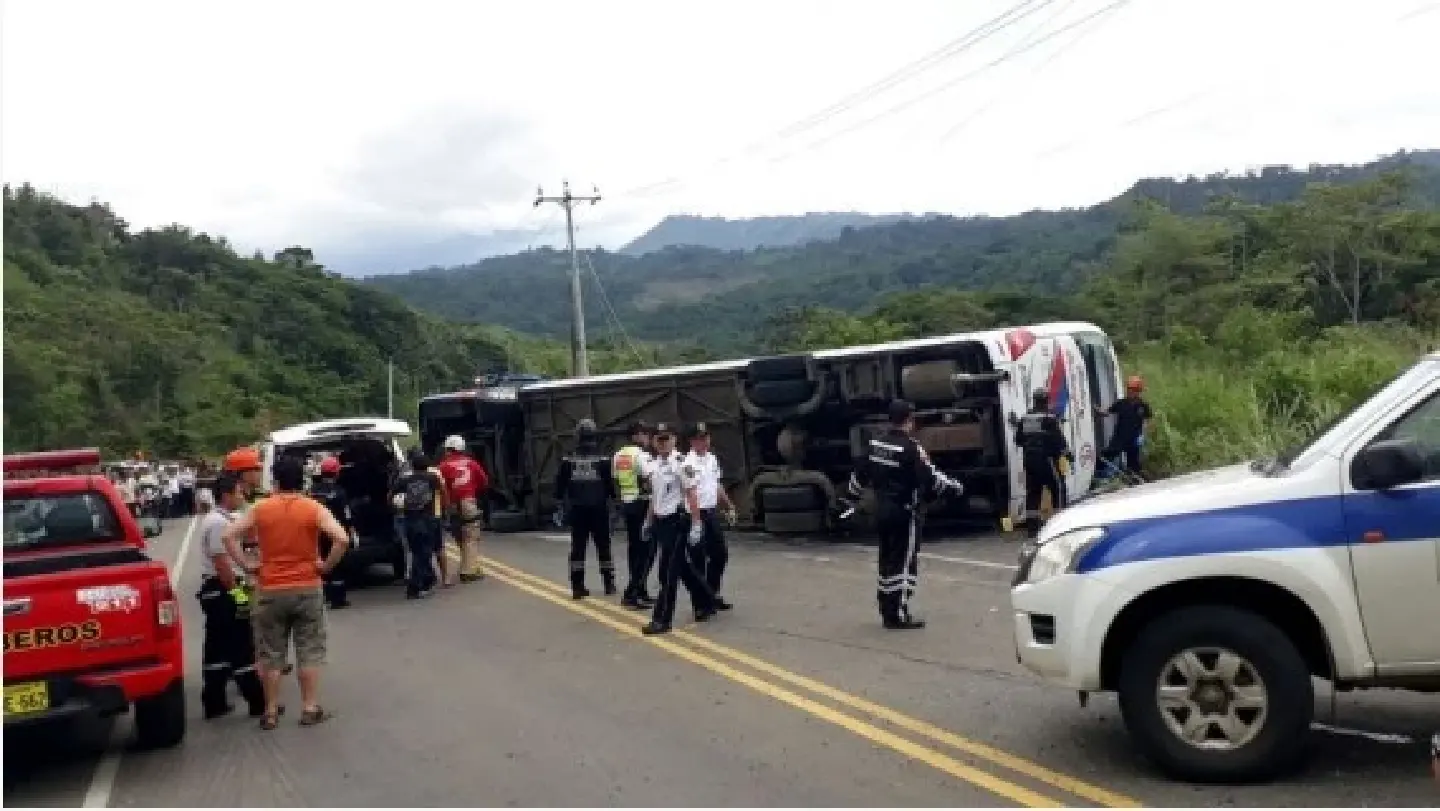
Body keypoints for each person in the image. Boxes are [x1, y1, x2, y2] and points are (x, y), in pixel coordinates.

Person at [220, 455, 349, 730]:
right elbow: (342, 539)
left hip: (270, 589)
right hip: (307, 587)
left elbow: (228, 535)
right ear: (301, 480)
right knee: (309, 650)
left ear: (275, 481)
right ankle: (309, 707)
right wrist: (325, 566)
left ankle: (269, 711)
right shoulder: (313, 507)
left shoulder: (261, 508)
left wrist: (247, 565)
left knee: (270, 653)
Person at [843, 399, 963, 630]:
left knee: (887, 561)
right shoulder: (911, 448)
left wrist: (851, 498)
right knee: (904, 564)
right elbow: (931, 479)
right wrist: (955, 488)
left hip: (881, 511)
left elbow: (859, 476)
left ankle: (887, 609)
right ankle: (897, 614)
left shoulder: (875, 444)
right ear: (909, 420)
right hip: (904, 513)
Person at [196, 473, 266, 719]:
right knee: (241, 645)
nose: (242, 495)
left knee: (216, 650)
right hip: (223, 588)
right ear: (226, 495)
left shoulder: (223, 519)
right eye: (238, 492)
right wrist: (241, 597)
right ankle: (259, 701)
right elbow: (223, 566)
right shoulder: (217, 523)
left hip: (218, 590)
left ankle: (213, 701)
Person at [641, 423, 717, 636]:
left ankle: (661, 619)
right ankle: (707, 600)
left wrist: (696, 525)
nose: (663, 443)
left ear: (674, 440)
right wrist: (648, 521)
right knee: (683, 568)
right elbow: (654, 497)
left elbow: (692, 494)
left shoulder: (681, 464)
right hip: (660, 522)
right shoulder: (653, 466)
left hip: (677, 522)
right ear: (654, 442)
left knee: (668, 573)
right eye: (659, 439)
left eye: (667, 438)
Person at [554, 418, 617, 600]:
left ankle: (577, 586)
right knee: (603, 546)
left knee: (578, 548)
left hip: (577, 510)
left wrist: (559, 506)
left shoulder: (568, 459)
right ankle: (609, 583)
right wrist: (615, 504)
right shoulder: (603, 458)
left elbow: (559, 486)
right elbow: (610, 485)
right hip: (599, 509)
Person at [683, 422, 736, 611]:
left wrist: (728, 506)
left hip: (711, 512)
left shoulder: (712, 459)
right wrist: (696, 521)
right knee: (698, 561)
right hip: (695, 515)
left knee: (720, 555)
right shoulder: (688, 464)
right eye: (699, 438)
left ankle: (711, 593)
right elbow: (691, 494)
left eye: (706, 437)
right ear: (692, 441)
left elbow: (717, 485)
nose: (704, 441)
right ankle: (700, 605)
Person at [1014, 389, 1072, 538]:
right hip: (1047, 459)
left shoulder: (1025, 418)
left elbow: (1018, 440)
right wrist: (1067, 454)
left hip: (1029, 460)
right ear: (1046, 401)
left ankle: (1032, 528)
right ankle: (1061, 524)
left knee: (1033, 492)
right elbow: (1058, 440)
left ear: (1034, 400)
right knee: (1058, 487)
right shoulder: (1049, 418)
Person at [392, 447, 447, 599]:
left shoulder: (404, 479)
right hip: (426, 520)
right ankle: (415, 587)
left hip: (409, 521)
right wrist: (445, 509)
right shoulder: (432, 478)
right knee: (423, 554)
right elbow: (442, 493)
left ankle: (427, 580)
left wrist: (398, 508)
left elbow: (390, 496)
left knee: (417, 552)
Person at [613, 421, 656, 609]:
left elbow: (615, 480)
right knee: (646, 552)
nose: (647, 438)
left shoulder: (619, 455)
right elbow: (649, 480)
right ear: (636, 436)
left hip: (627, 504)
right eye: (644, 434)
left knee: (634, 551)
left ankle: (641, 590)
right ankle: (632, 593)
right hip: (642, 504)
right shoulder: (642, 455)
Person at [436, 435, 488, 582]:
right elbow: (484, 482)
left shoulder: (442, 466)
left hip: (450, 504)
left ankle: (469, 565)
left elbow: (439, 487)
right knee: (471, 535)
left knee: (459, 534)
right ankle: (469, 571)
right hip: (468, 502)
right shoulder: (471, 463)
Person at [308, 457, 354, 609]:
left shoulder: (312, 491)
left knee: (320, 563)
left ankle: (324, 597)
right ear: (336, 473)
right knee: (338, 565)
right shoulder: (340, 492)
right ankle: (338, 599)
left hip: (317, 533)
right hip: (335, 533)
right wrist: (351, 532)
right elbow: (346, 515)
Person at [1103, 375, 1152, 478]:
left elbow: (1147, 421)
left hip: (1134, 439)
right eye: (1129, 389)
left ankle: (1137, 479)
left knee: (1133, 464)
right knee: (1107, 455)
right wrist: (1097, 411)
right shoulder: (1121, 403)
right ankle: (1106, 476)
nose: (1130, 392)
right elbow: (1107, 412)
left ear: (1138, 391)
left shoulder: (1143, 406)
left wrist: (1143, 435)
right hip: (1119, 437)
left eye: (1133, 390)